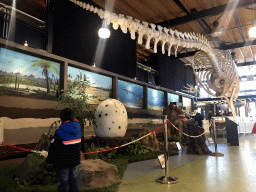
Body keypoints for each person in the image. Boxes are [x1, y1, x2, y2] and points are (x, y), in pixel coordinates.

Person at [46, 108, 82, 192]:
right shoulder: (78, 129)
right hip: (75, 161)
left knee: (63, 181)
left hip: (64, 163)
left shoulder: (59, 132)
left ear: (62, 119)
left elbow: (53, 148)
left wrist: (49, 160)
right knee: (73, 179)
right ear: (73, 117)